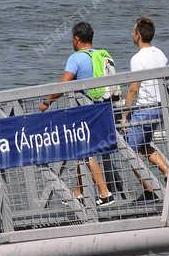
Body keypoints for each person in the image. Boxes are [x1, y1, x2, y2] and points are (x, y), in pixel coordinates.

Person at [39, 22, 119, 207]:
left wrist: (46, 102)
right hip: (105, 108)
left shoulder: (76, 58)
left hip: (88, 111)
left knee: (86, 151)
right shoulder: (103, 54)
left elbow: (63, 85)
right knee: (82, 149)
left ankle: (105, 193)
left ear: (76, 39)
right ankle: (78, 192)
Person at [122, 16, 169, 201]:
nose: (131, 34)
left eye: (133, 31)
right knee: (143, 146)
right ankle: (167, 172)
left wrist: (125, 115)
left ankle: (150, 190)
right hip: (160, 107)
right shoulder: (160, 54)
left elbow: (134, 88)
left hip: (144, 109)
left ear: (138, 35)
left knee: (129, 150)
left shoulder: (137, 58)